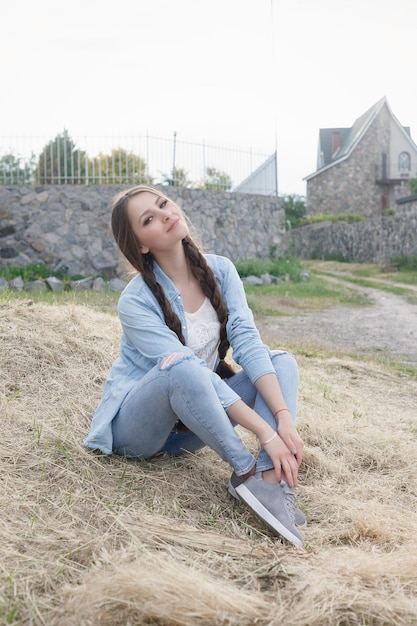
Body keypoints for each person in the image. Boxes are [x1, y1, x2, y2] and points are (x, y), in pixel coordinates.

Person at [84, 184, 305, 547]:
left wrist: (281, 418)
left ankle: (268, 481)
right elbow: (188, 372)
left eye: (163, 204)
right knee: (181, 367)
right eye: (149, 219)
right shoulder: (135, 301)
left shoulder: (221, 270)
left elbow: (247, 342)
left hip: (197, 426)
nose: (166, 214)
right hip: (142, 430)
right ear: (140, 244)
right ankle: (246, 471)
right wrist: (264, 433)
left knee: (282, 362)